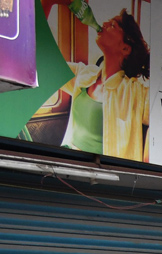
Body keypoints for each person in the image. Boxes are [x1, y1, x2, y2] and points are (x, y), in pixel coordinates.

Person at [61, 11, 151, 159]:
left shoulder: (135, 92)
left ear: (125, 48)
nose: (104, 24)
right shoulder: (83, 74)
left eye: (113, 25)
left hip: (107, 176)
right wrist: (49, 2)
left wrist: (146, 168)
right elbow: (39, 60)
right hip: (70, 166)